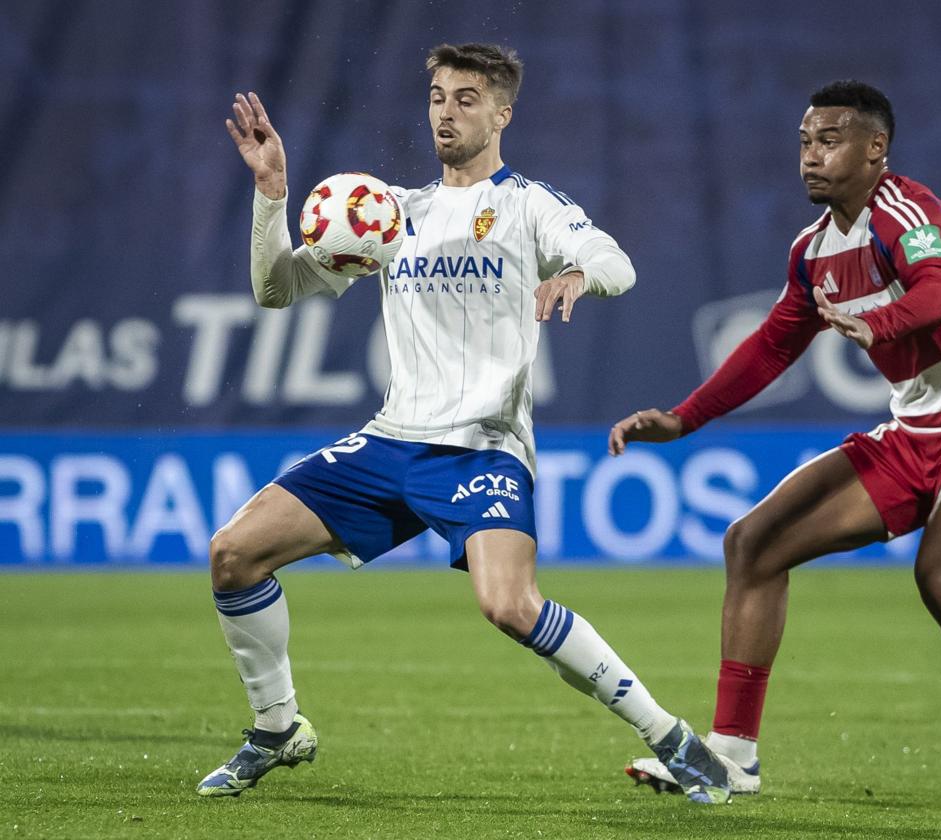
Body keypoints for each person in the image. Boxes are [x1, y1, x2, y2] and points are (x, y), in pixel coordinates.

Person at [202, 42, 731, 805]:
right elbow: (275, 292)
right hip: (390, 440)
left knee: (509, 605)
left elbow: (618, 262)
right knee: (233, 555)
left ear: (502, 113)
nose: (446, 112)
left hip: (483, 446)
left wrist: (576, 273)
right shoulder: (388, 213)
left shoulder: (528, 205)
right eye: (439, 96)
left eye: (467, 99)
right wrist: (271, 194)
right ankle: (278, 728)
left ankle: (670, 737)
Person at [611, 80, 941, 805]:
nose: (811, 157)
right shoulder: (814, 251)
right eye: (803, 142)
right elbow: (770, 346)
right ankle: (731, 758)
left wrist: (877, 325)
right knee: (752, 544)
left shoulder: (911, 213)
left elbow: (940, 295)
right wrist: (684, 419)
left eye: (829, 140)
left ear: (875, 149)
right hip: (912, 433)